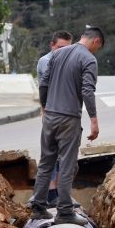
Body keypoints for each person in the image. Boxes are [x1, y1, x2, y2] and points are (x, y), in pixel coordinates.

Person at [29, 27, 104, 225]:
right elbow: (87, 90)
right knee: (67, 165)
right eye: (98, 47)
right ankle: (64, 211)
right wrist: (94, 119)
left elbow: (43, 83)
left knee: (46, 162)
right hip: (68, 118)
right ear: (95, 41)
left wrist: (45, 105)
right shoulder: (88, 59)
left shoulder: (57, 53)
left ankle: (38, 207)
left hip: (50, 116)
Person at [36, 30, 73, 206]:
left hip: (65, 113)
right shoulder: (46, 62)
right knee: (50, 156)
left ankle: (59, 193)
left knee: (63, 156)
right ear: (52, 46)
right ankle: (50, 194)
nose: (62, 51)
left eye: (67, 48)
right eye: (59, 47)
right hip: (53, 113)